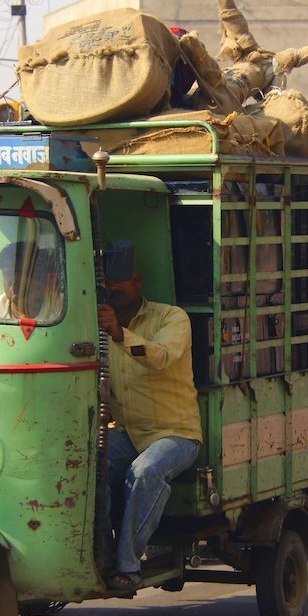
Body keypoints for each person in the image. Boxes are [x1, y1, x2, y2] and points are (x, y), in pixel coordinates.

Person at [97, 239, 202, 592]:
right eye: (108, 284)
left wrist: (119, 334)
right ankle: (102, 557)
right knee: (88, 464)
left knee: (145, 471)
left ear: (136, 281)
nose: (115, 289)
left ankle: (127, 566)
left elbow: (160, 357)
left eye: (120, 282)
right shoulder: (97, 329)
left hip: (176, 435)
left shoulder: (172, 317)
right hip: (129, 432)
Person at [0, 240, 62, 320]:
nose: (15, 281)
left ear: (40, 276)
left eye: (22, 273)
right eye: (9, 273)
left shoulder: (61, 311)